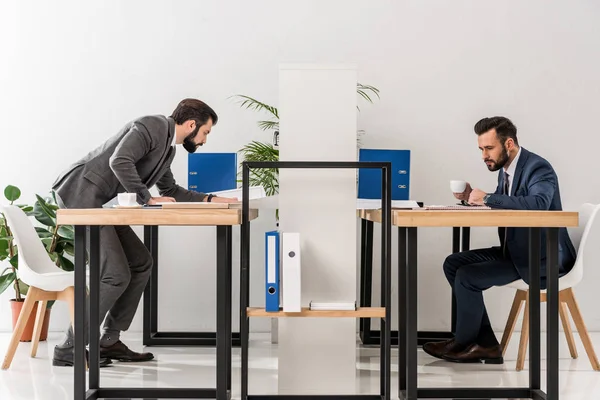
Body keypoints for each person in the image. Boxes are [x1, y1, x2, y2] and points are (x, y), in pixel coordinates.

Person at [51, 98, 238, 367]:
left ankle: (109, 341)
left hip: (100, 202)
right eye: (206, 132)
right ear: (191, 124)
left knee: (140, 263)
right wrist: (146, 198)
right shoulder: (152, 125)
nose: (204, 140)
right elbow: (120, 160)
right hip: (81, 194)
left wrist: (210, 199)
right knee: (114, 274)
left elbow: (171, 191)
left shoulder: (168, 149)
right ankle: (69, 346)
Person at [423, 116, 576, 364]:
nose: (484, 155)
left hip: (540, 257)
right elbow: (513, 207)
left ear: (509, 144)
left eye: (489, 148)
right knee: (454, 263)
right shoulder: (505, 171)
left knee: (468, 276)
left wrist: (489, 199)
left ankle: (464, 342)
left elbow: (538, 204)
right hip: (515, 251)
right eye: (481, 149)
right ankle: (484, 344)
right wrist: (473, 198)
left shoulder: (538, 167)